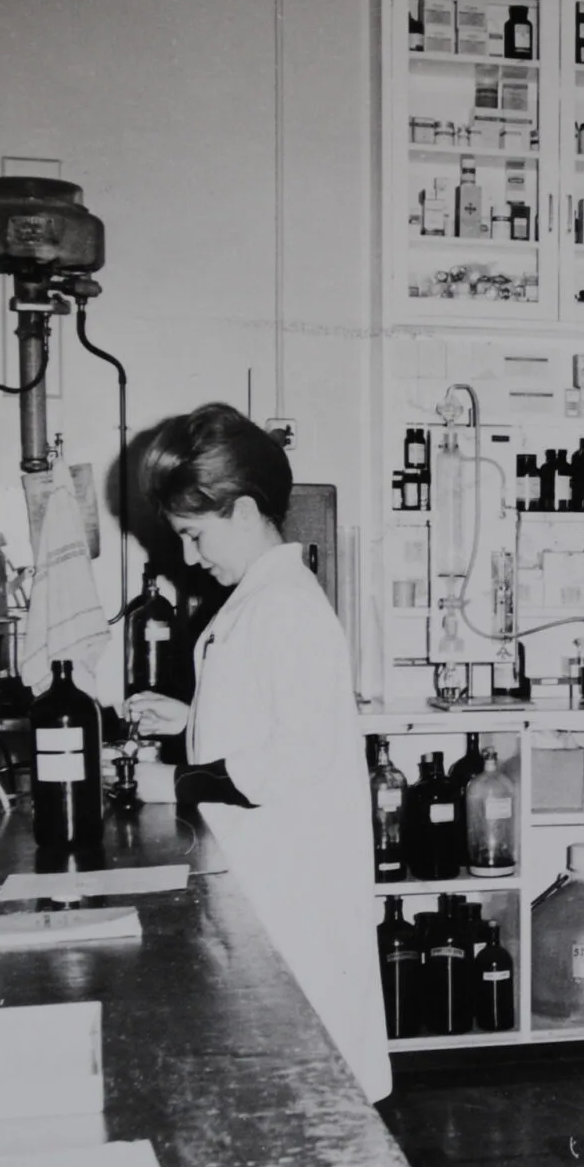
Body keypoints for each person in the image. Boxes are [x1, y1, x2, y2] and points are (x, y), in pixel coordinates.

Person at [125, 403, 391, 1103]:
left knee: (307, 1085)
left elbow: (290, 760)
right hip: (265, 873)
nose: (189, 555)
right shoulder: (257, 598)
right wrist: (191, 717)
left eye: (194, 533)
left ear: (242, 510)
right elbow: (272, 720)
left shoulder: (287, 607)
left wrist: (172, 781)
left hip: (292, 887)